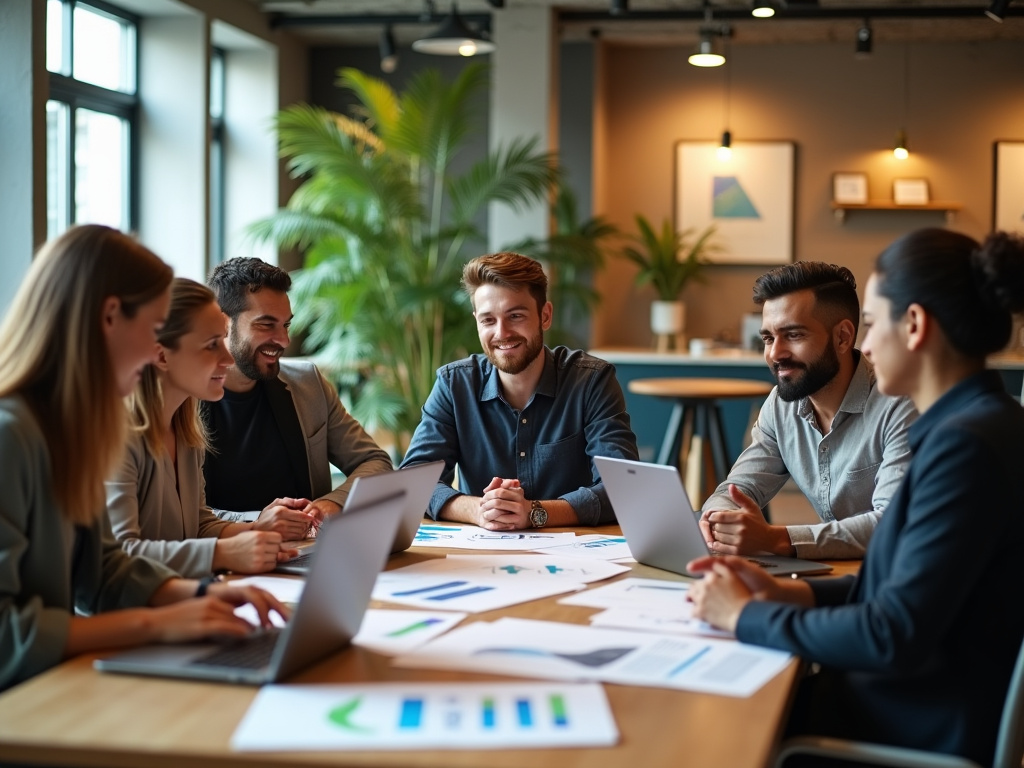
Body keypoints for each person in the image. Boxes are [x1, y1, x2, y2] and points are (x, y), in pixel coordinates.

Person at [688, 228, 1024, 766]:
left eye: (871, 323)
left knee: (707, 729)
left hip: (903, 722)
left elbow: (892, 633)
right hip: (899, 696)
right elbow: (895, 591)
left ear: (913, 325)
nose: (864, 344)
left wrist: (744, 617)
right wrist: (784, 594)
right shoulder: (978, 426)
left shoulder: (965, 449)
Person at [0, 225, 286, 692]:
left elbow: (102, 569)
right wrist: (158, 623)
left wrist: (203, 594)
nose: (156, 350)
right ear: (110, 317)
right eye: (155, 330)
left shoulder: (71, 430)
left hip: (52, 689)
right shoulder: (11, 435)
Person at [399, 251, 639, 530]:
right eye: (488, 320)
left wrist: (535, 513)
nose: (502, 333)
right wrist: (478, 510)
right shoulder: (454, 385)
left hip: (576, 556)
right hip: (478, 557)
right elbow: (412, 484)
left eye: (515, 316)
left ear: (545, 315)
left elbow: (624, 489)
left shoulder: (591, 382)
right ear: (477, 320)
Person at [700, 262, 917, 559]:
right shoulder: (781, 404)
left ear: (843, 337)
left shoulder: (899, 405)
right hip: (838, 572)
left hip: (900, 576)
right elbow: (738, 489)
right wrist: (719, 518)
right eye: (768, 338)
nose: (775, 353)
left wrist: (776, 539)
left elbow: (891, 523)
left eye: (794, 335)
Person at [106, 278, 308, 579]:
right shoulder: (115, 437)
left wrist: (257, 534)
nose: (228, 360)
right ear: (162, 355)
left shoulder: (187, 431)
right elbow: (119, 555)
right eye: (212, 345)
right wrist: (224, 553)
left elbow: (198, 525)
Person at [203, 258, 393, 523]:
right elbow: (178, 511)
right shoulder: (182, 400)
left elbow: (375, 462)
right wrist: (257, 521)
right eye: (266, 325)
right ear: (222, 323)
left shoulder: (308, 385)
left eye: (286, 325)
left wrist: (332, 502)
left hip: (307, 552)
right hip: (224, 556)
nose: (284, 340)